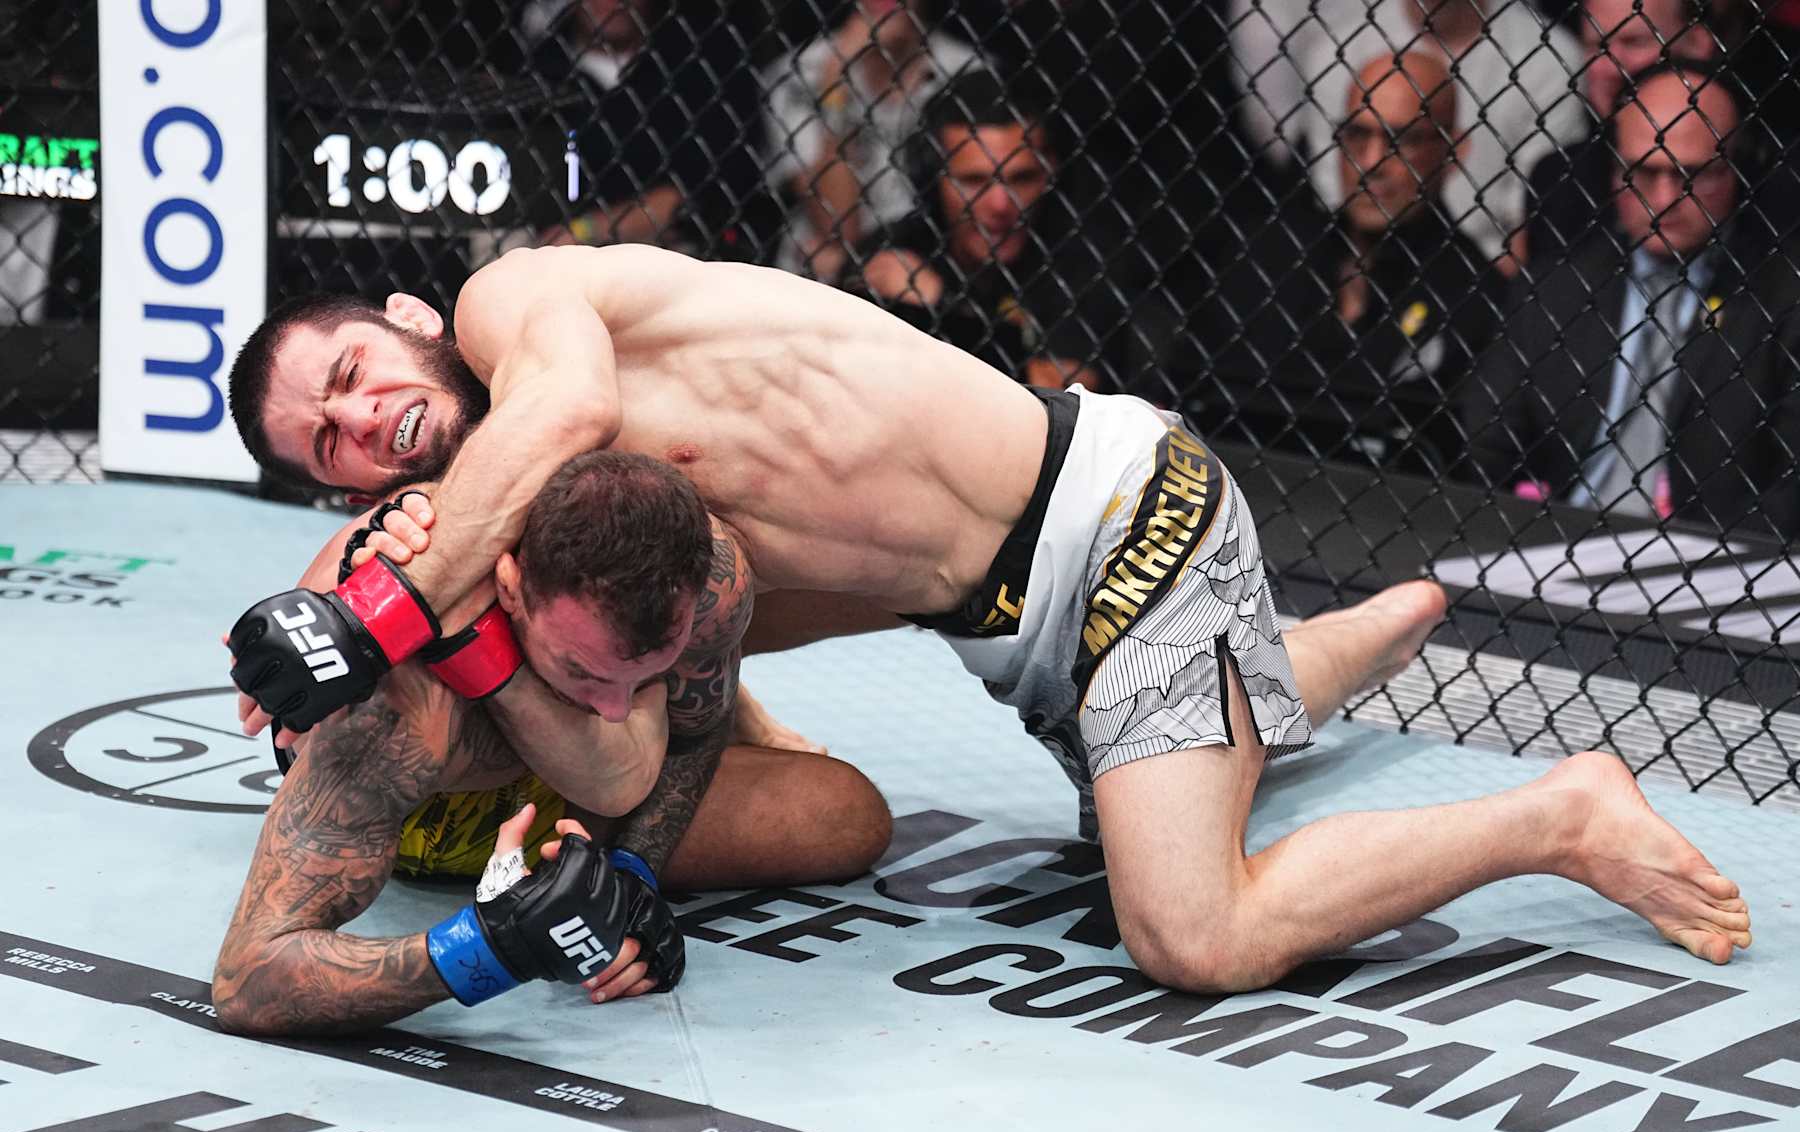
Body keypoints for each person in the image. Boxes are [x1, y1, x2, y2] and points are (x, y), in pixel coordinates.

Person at [224, 241, 1752, 1014]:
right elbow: (686, 661)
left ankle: (1560, 809)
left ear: (414, 315)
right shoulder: (535, 535)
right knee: (1173, 733)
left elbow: (561, 405)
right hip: (1013, 629)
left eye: (352, 368)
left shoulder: (526, 306)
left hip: (1121, 519)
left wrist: (369, 606)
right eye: (330, 444)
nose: (363, 418)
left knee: (1189, 929)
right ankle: (1322, 651)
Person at [213, 481, 893, 1036]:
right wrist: (491, 946)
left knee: (845, 816)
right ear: (511, 590)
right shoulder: (399, 713)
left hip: (576, 797)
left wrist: (632, 872)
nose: (617, 711)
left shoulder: (708, 581)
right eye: (585, 671)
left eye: (643, 675)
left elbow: (690, 729)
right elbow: (250, 979)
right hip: (435, 804)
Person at [1461, 61, 1800, 538]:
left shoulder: (1782, 297)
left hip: (1709, 560)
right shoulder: (1559, 286)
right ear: (1613, 171)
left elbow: (1791, 489)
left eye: (1693, 174)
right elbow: (1485, 443)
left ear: (1738, 169)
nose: (1664, 198)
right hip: (1554, 541)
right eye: (1643, 172)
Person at [1195, 51, 1503, 473]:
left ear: (1452, 151)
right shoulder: (1267, 255)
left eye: (1402, 141)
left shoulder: (1475, 294)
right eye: (1357, 135)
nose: (1372, 162)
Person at [1231, 0, 1585, 264]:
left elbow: (1534, 228)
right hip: (1355, 263)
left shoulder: (1548, 61)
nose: (1373, 159)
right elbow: (1331, 203)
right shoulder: (1339, 47)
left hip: (1487, 278)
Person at [846, 70, 1131, 392]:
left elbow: (1060, 401)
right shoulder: (898, 248)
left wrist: (943, 309)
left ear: (1051, 171)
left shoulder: (1083, 258)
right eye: (973, 181)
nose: (1000, 205)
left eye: (1022, 178)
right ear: (933, 180)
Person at [523, 0, 767, 257]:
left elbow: (696, 195)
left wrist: (584, 229)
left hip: (681, 255)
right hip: (558, 255)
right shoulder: (536, 70)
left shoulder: (696, 63)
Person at [762, 0, 982, 279]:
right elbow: (836, 227)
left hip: (931, 270)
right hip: (819, 280)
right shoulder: (802, 71)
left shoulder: (967, 73)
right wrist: (834, 86)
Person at [1513, 0, 1722, 270]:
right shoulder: (1558, 182)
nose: (1608, 68)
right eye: (1596, 47)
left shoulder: (1768, 178)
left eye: (1634, 42)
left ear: (1697, 43)